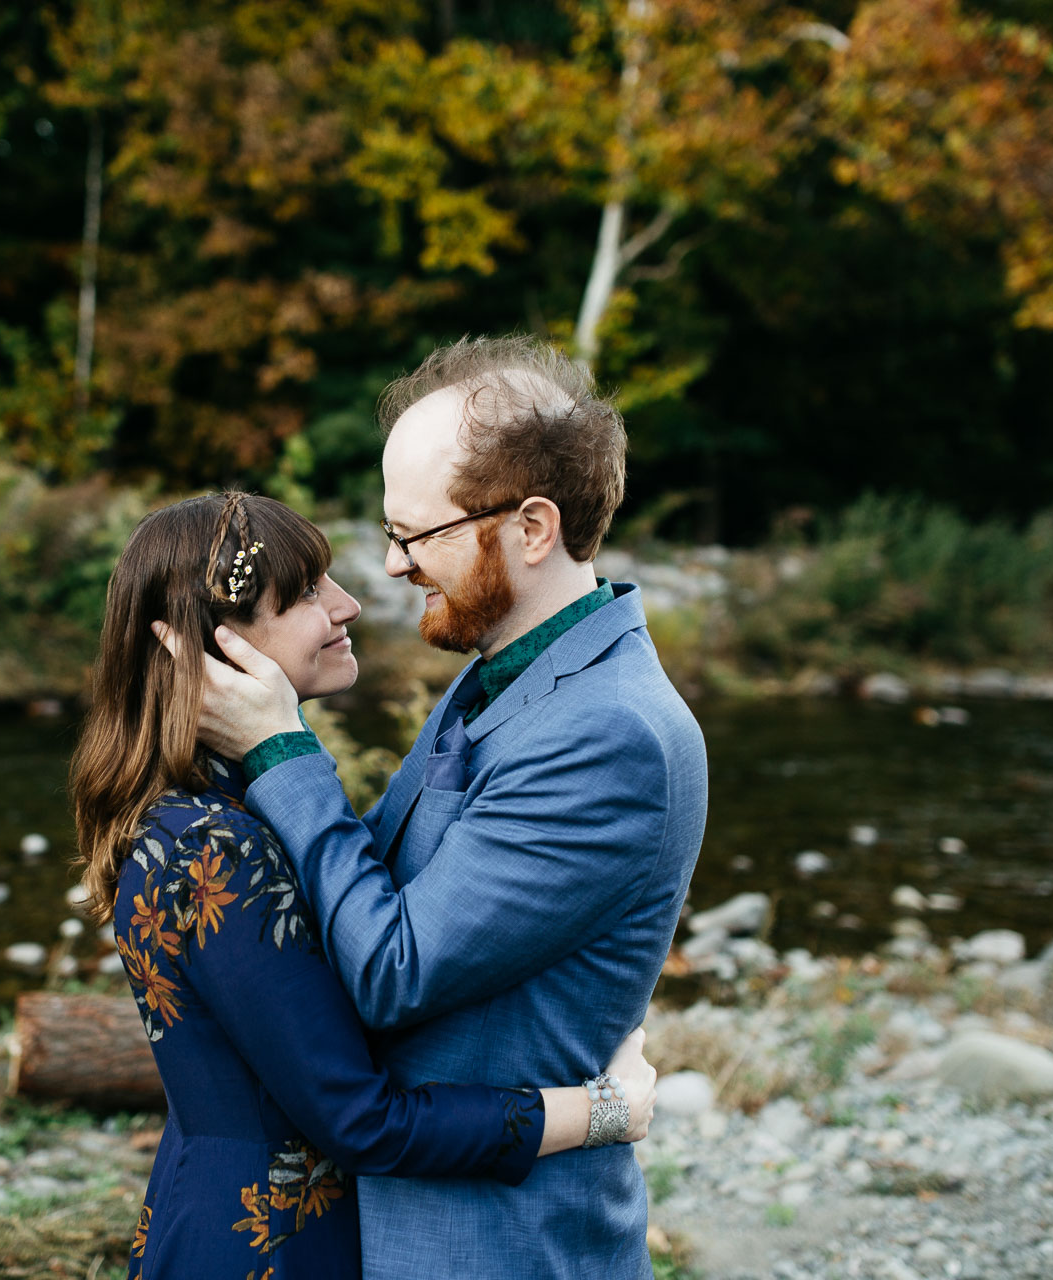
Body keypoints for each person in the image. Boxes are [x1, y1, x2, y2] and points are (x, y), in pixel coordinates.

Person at [170, 336, 710, 1279]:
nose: (389, 566)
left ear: (532, 528)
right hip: (407, 1212)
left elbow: (392, 966)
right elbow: (372, 883)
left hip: (497, 1244)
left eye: (416, 537)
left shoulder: (610, 733)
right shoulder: (505, 674)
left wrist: (281, 748)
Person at [68, 491, 660, 1280]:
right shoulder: (213, 845)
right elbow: (362, 1122)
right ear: (204, 649)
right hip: (266, 1248)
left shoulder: (225, 809)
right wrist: (602, 1112)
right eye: (307, 593)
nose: (348, 605)